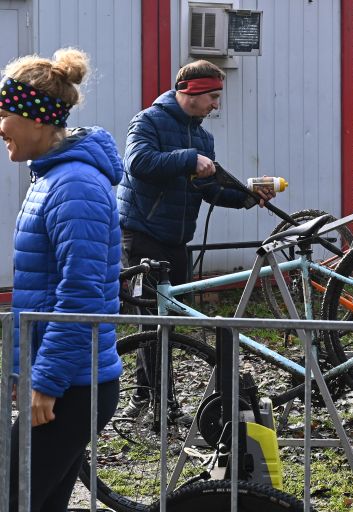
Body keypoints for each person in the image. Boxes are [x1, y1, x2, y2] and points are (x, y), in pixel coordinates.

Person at [115, 59, 273, 419]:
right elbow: (138, 163)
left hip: (175, 240)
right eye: (213, 96)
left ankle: (146, 398)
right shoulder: (148, 121)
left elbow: (208, 188)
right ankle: (163, 406)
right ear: (192, 93)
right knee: (154, 321)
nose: (216, 104)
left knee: (164, 320)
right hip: (142, 237)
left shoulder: (202, 136)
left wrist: (248, 195)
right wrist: (188, 159)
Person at [5, 48, 123, 511]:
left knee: (12, 498)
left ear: (36, 119)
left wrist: (46, 382)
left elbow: (83, 296)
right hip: (64, 381)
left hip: (70, 387)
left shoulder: (74, 186)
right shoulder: (52, 178)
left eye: (4, 113)